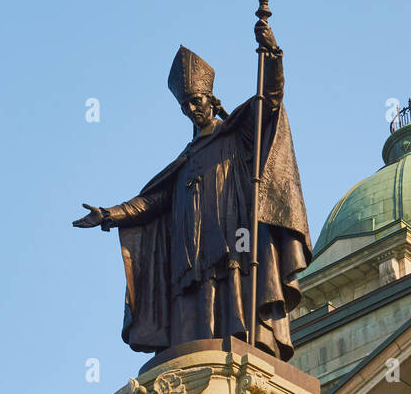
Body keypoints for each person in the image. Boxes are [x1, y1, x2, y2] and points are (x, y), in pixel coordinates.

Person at [73, 20, 311, 361]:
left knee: (232, 287)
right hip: (189, 248)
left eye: (197, 101)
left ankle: (239, 345)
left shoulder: (237, 135)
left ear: (211, 100)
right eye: (186, 106)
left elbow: (271, 97)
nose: (192, 109)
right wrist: (109, 214)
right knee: (193, 297)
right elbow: (152, 202)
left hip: (233, 237)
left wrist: (272, 52)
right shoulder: (184, 159)